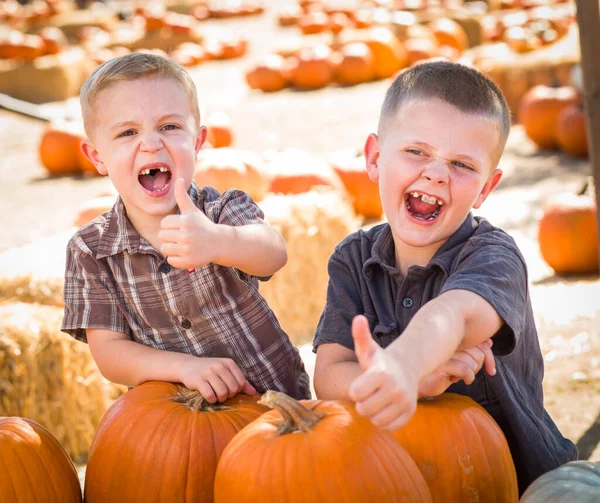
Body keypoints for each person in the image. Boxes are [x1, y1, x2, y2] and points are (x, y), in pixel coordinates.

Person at [312, 60, 577, 493]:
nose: (435, 173)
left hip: (515, 483)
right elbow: (328, 376)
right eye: (417, 152)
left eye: (461, 164)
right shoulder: (351, 260)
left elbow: (453, 314)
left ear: (485, 189)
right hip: (393, 480)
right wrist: (408, 381)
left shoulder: (493, 256)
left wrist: (405, 363)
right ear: (375, 158)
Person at [61, 53, 310, 403]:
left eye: (169, 127)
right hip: (178, 419)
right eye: (127, 132)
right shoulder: (90, 251)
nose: (150, 143)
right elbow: (110, 355)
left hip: (272, 402)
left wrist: (219, 241)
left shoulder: (221, 209)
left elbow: (273, 253)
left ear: (197, 141)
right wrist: (185, 368)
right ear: (97, 156)